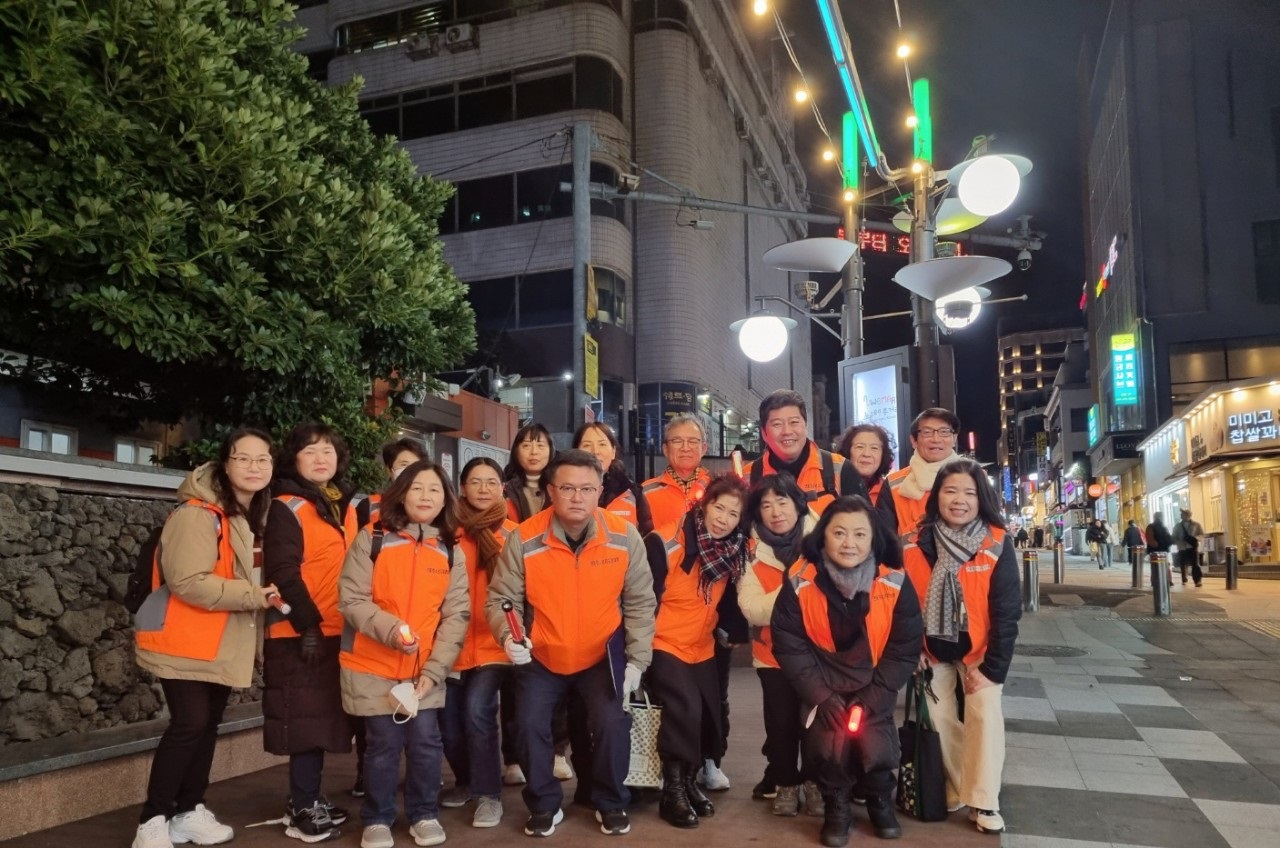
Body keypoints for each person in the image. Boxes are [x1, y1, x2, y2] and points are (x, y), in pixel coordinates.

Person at [486, 449, 656, 838]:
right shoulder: (525, 537)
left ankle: (610, 801)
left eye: (586, 488)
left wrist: (636, 661)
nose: (577, 497)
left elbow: (641, 601)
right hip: (542, 655)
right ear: (551, 491)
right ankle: (544, 803)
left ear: (599, 491)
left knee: (613, 723)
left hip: (601, 657)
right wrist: (507, 636)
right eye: (567, 488)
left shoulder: (623, 536)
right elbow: (500, 599)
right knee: (527, 725)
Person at [132, 429, 278, 848]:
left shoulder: (246, 516)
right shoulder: (198, 514)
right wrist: (256, 596)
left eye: (263, 459)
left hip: (216, 642)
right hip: (183, 641)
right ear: (225, 464)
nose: (254, 467)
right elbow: (188, 582)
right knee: (189, 725)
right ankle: (152, 820)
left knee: (206, 725)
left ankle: (188, 810)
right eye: (243, 458)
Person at [771, 496, 923, 848]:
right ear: (823, 536)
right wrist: (821, 696)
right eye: (839, 533)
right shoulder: (799, 579)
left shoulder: (895, 580)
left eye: (859, 534)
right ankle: (836, 806)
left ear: (874, 539)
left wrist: (875, 695)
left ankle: (880, 800)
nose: (848, 543)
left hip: (874, 680)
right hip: (823, 681)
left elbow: (905, 645)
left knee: (876, 740)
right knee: (829, 743)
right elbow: (788, 643)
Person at [338, 459, 470, 848]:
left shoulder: (449, 548)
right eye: (417, 488)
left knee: (427, 742)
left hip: (424, 670)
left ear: (445, 498)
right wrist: (392, 631)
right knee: (382, 743)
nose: (426, 496)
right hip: (371, 662)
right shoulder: (372, 538)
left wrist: (434, 669)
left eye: (434, 489)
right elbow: (351, 598)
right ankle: (377, 819)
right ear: (401, 493)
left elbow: (456, 614)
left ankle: (423, 813)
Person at [901, 458, 1021, 835]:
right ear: (936, 496)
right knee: (937, 720)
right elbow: (901, 606)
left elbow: (1007, 611)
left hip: (981, 652)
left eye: (968, 492)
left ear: (980, 498)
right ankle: (955, 787)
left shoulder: (996, 542)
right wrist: (911, 650)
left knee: (984, 715)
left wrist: (992, 669)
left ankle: (983, 800)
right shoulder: (914, 544)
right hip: (932, 650)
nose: (958, 500)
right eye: (950, 491)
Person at [262, 423, 357, 842]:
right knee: (304, 722)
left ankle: (307, 797)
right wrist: (309, 626)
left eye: (329, 451)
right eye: (311, 451)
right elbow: (283, 572)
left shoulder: (335, 506)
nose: (322, 459)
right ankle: (302, 806)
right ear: (294, 458)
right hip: (300, 633)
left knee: (318, 720)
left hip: (335, 629)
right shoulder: (287, 506)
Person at [647, 475, 751, 829]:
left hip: (702, 644)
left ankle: (690, 782)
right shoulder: (665, 542)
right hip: (663, 641)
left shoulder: (734, 549)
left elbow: (734, 601)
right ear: (703, 506)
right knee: (684, 708)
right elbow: (640, 599)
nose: (723, 518)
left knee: (709, 714)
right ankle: (672, 790)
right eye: (718, 508)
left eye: (733, 513)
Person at [736, 473, 823, 816]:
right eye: (766, 505)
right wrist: (797, 589)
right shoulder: (751, 550)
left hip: (819, 655)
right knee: (781, 723)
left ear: (798, 503)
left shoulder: (824, 539)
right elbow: (751, 608)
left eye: (782, 501)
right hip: (771, 656)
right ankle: (786, 783)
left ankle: (814, 781)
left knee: (816, 724)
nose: (775, 512)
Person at [440, 458, 519, 827]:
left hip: (494, 644)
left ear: (503, 487)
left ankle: (488, 794)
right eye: (476, 481)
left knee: (477, 711)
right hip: (452, 644)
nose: (484, 488)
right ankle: (466, 781)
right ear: (462, 487)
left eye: (492, 481)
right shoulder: (445, 532)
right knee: (449, 724)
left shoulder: (516, 534)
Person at [349, 437, 429, 799]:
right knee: (377, 730)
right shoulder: (368, 511)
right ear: (388, 470)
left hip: (422, 643)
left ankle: (420, 789)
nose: (406, 473)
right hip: (374, 633)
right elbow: (351, 568)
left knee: (424, 732)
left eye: (413, 465)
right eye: (399, 466)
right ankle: (369, 782)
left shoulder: (436, 520)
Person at [746, 390, 865, 514]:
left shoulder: (841, 469)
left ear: (806, 426)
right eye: (777, 424)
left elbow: (865, 526)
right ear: (764, 433)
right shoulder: (748, 477)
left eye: (794, 422)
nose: (787, 431)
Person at [878, 408, 961, 536]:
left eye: (944, 432)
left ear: (954, 438)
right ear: (913, 440)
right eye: (927, 432)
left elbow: (991, 530)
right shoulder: (894, 483)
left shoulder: (973, 478)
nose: (936, 439)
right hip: (909, 555)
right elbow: (884, 537)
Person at [575, 422, 654, 535]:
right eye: (587, 445)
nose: (595, 451)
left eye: (602, 444)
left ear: (613, 452)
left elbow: (646, 538)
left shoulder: (631, 492)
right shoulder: (563, 490)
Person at [642, 413, 712, 529]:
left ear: (703, 449)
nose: (685, 448)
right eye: (677, 441)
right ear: (665, 449)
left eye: (693, 441)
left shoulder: (716, 488)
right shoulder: (645, 492)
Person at [352, 438, 430, 529]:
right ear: (389, 470)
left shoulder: (431, 505)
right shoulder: (370, 505)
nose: (410, 470)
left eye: (416, 465)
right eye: (404, 464)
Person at [504, 423, 555, 523]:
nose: (534, 452)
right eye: (526, 445)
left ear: (551, 451)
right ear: (516, 451)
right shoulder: (504, 490)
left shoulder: (560, 488)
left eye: (540, 445)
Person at [835, 423, 895, 507]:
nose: (866, 454)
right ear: (847, 451)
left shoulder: (891, 493)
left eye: (874, 448)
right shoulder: (833, 488)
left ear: (883, 455)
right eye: (860, 447)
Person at [1172, 508, 1205, 587]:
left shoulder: (1196, 524)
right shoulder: (1178, 526)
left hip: (1192, 547)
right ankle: (1184, 578)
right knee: (1183, 563)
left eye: (1182, 514)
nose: (1181, 515)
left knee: (1195, 564)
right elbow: (1174, 537)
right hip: (1182, 547)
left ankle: (1197, 580)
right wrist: (1178, 542)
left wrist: (1195, 538)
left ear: (1187, 515)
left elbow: (1201, 534)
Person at [1145, 512, 1175, 587]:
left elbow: (1150, 539)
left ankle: (1155, 581)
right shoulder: (1163, 527)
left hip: (1155, 550)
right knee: (1166, 566)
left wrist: (1156, 545)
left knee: (1155, 567)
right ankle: (1168, 580)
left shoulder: (1151, 527)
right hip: (1163, 550)